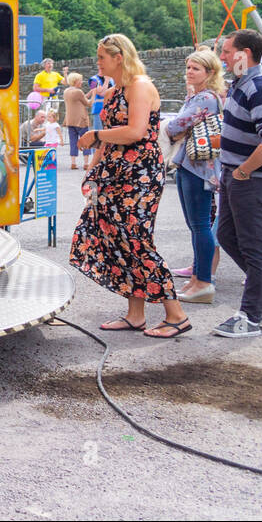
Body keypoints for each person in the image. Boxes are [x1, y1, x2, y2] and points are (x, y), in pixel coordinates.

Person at [71, 34, 189, 338]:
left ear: (118, 57)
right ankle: (135, 314)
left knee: (137, 239)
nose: (97, 63)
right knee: (119, 239)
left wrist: (97, 136)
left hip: (140, 174)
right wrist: (94, 168)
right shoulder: (115, 90)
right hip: (115, 171)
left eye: (101, 58)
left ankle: (176, 314)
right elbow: (111, 132)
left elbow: (135, 131)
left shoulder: (140, 86)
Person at [211, 30, 262, 337]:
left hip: (251, 177)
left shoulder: (260, 87)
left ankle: (250, 316)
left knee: (254, 247)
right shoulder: (243, 84)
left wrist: (242, 171)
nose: (224, 57)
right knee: (227, 235)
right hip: (238, 174)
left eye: (228, 51)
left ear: (245, 54)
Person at [164, 48, 225, 304]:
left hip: (198, 167)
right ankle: (198, 279)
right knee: (196, 225)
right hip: (192, 165)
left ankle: (203, 281)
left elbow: (175, 126)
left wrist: (174, 128)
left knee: (199, 225)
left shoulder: (205, 99)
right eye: (188, 67)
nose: (189, 71)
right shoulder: (199, 96)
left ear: (209, 73)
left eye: (195, 68)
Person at [62, 72, 92, 170]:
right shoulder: (78, 92)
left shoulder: (66, 91)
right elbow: (88, 103)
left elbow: (80, 99)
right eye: (80, 80)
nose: (81, 82)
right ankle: (86, 163)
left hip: (70, 120)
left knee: (73, 141)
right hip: (81, 120)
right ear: (76, 81)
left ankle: (73, 163)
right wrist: (95, 94)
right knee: (86, 140)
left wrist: (90, 92)